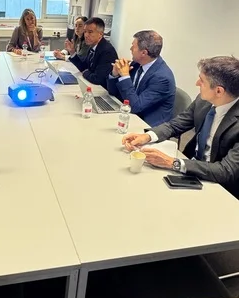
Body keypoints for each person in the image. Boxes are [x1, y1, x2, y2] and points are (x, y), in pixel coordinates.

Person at [123, 56, 239, 198]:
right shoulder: (203, 101)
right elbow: (176, 124)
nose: (197, 83)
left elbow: (226, 171)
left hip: (221, 187)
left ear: (219, 91)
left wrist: (172, 162)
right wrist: (148, 136)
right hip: (191, 167)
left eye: (202, 81)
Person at [107, 30, 176, 127]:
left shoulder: (162, 78)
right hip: (129, 115)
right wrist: (115, 74)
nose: (130, 49)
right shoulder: (137, 64)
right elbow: (113, 92)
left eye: (133, 46)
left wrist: (125, 76)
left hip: (147, 125)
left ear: (144, 53)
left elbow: (135, 107)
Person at [66, 17, 118, 87]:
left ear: (100, 34)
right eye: (85, 31)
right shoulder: (93, 46)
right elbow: (84, 66)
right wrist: (72, 52)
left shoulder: (107, 51)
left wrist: (85, 73)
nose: (86, 35)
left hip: (102, 89)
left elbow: (98, 79)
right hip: (92, 85)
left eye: (90, 32)